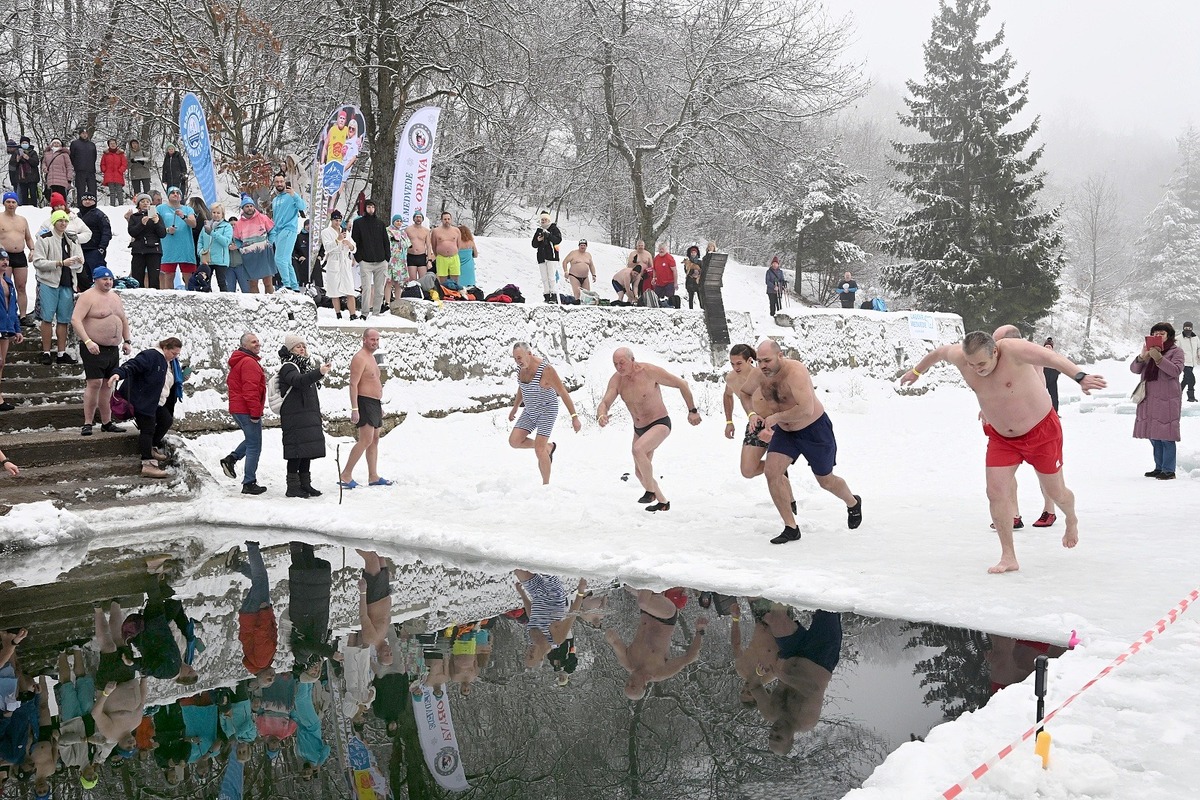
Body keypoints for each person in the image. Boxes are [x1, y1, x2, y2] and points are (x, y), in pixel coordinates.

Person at [901, 331, 1107, 573]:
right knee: (995, 492)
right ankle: (1008, 556)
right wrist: (915, 372)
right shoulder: (960, 356)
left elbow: (1051, 358)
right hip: (1002, 438)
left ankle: (1071, 518)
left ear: (995, 352)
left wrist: (1080, 376)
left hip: (1041, 432)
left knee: (1056, 491)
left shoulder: (1012, 349)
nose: (976, 369)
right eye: (971, 364)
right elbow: (937, 354)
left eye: (981, 364)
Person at [736, 339, 860, 543]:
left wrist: (775, 417)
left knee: (826, 480)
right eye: (759, 361)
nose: (763, 365)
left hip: (814, 430)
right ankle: (790, 527)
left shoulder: (796, 372)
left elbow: (806, 409)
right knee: (772, 472)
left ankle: (853, 503)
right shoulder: (759, 374)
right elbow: (745, 392)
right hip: (786, 432)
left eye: (767, 360)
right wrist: (751, 414)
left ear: (780, 356)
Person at [596, 347, 702, 512]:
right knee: (639, 473)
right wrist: (602, 415)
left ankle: (650, 491)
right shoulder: (617, 380)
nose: (619, 367)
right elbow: (605, 402)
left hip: (659, 423)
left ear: (632, 360)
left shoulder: (649, 372)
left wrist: (692, 410)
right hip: (639, 429)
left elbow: (682, 384)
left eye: (622, 363)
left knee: (638, 449)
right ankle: (663, 502)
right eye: (615, 364)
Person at [991, 325, 1057, 529]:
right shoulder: (1001, 360)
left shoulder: (1029, 356)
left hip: (1037, 421)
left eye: (998, 342)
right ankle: (1013, 514)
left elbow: (1037, 386)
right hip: (1008, 423)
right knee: (1005, 470)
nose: (995, 347)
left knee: (1044, 469)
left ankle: (1050, 510)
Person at [752, 606, 841, 754]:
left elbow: (754, 687)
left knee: (773, 618)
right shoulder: (807, 721)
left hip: (791, 653)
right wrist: (783, 677)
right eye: (778, 737)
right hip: (820, 656)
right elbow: (813, 689)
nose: (774, 732)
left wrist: (758, 673)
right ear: (791, 739)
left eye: (771, 736)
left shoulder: (769, 712)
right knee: (829, 607)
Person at [722, 343, 796, 512]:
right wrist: (729, 422)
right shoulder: (731, 378)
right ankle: (777, 467)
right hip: (755, 423)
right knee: (747, 470)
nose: (735, 367)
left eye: (739, 363)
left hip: (776, 423)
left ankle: (790, 501)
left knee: (775, 470)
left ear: (750, 361)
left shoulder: (763, 375)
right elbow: (727, 396)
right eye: (732, 364)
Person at [606, 587, 708, 700]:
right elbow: (690, 658)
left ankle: (656, 585)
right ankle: (653, 580)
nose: (630, 682)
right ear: (644, 686)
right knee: (643, 601)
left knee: (628, 587)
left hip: (646, 612)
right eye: (633, 686)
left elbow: (615, 641)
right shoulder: (659, 672)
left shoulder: (627, 662)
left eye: (627, 684)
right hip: (666, 617)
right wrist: (700, 631)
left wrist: (609, 635)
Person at [110, 336, 184, 478]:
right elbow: (133, 365)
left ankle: (152, 447)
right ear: (165, 348)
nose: (175, 357)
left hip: (155, 401)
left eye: (177, 354)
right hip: (142, 401)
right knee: (147, 429)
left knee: (166, 420)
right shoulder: (151, 355)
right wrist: (118, 374)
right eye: (174, 353)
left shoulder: (169, 362)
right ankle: (147, 464)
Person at [508, 342, 582, 484]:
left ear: (529, 353)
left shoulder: (546, 370)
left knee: (539, 450)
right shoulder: (520, 368)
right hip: (530, 410)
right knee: (514, 441)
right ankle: (548, 447)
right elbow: (522, 387)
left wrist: (574, 417)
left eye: (519, 358)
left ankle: (546, 485)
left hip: (547, 410)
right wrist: (515, 407)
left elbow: (562, 392)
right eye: (515, 359)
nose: (518, 362)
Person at [71, 265, 132, 435]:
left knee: (108, 385)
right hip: (94, 347)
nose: (108, 282)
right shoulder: (87, 296)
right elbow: (76, 320)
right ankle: (88, 422)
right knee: (95, 383)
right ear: (96, 280)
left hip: (112, 349)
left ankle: (106, 422)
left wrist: (127, 340)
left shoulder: (115, 297)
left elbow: (123, 319)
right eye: (105, 279)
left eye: (110, 279)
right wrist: (88, 341)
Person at [278, 333, 331, 498]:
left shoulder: (304, 367)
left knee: (306, 451)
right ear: (290, 350)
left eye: (304, 346)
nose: (302, 349)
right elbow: (299, 381)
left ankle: (305, 484)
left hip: (306, 416)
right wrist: (319, 372)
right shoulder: (288, 367)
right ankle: (293, 486)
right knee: (295, 452)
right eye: (297, 346)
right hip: (295, 417)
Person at [338, 329, 391, 489]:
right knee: (366, 440)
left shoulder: (371, 358)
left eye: (377, 340)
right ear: (364, 340)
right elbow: (353, 384)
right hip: (364, 402)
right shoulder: (360, 358)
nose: (375, 342)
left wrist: (378, 405)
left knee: (375, 440)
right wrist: (355, 408)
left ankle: (373, 476)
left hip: (374, 403)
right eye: (372, 339)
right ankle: (346, 474)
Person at [1132, 322, 1184, 480]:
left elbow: (1175, 371)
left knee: (1166, 434)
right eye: (1155, 334)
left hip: (1167, 398)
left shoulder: (1177, 351)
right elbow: (1134, 370)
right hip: (1149, 397)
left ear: (1169, 335)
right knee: (1153, 434)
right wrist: (1142, 357)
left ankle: (1169, 470)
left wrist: (1160, 359)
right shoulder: (1149, 351)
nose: (1158, 336)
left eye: (1161, 334)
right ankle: (1159, 467)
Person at [33, 209, 84, 365]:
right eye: (60, 221)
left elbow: (78, 262)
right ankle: (46, 352)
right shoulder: (44, 238)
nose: (63, 223)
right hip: (49, 282)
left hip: (67, 283)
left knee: (64, 319)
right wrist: (60, 263)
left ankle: (61, 353)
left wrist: (78, 263)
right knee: (47, 318)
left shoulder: (72, 239)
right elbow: (38, 262)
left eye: (65, 221)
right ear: (54, 222)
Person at [220, 332, 268, 494]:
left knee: (251, 440)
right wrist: (255, 412)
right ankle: (249, 483)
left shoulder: (242, 360)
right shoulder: (249, 362)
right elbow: (250, 390)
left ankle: (231, 459)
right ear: (245, 345)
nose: (258, 344)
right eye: (253, 342)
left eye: (258, 341)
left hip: (239, 408)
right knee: (255, 445)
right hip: (246, 409)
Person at [226, 541, 277, 684]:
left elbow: (262, 634)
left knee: (261, 579)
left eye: (268, 679)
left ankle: (252, 546)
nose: (272, 677)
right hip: (247, 617)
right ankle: (237, 565)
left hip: (256, 614)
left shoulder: (262, 661)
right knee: (259, 580)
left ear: (260, 676)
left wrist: (265, 612)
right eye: (272, 679)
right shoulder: (257, 664)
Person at [513, 571, 587, 668]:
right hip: (554, 594)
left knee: (518, 568)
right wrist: (581, 592)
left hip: (536, 594)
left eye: (526, 655)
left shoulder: (530, 638)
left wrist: (523, 594)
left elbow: (532, 616)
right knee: (544, 567)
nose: (528, 652)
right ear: (541, 658)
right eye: (531, 656)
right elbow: (571, 616)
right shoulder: (556, 639)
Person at [351, 199, 389, 316]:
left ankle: (376, 312)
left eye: (372, 207)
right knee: (366, 289)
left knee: (379, 290)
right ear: (365, 209)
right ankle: (365, 312)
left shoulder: (380, 223)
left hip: (381, 261)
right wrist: (359, 258)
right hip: (365, 262)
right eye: (368, 207)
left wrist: (386, 258)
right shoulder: (358, 223)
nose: (370, 209)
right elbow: (354, 241)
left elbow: (385, 242)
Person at [231, 195, 275, 294]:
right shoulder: (238, 224)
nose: (250, 208)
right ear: (242, 208)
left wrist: (270, 243)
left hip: (264, 254)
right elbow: (237, 240)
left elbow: (272, 231)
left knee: (268, 282)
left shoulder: (263, 218)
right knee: (253, 284)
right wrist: (239, 247)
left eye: (251, 206)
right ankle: (256, 305)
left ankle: (271, 303)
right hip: (249, 256)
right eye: (247, 206)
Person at [269, 174, 306, 291]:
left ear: (285, 182)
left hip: (289, 229)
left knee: (279, 259)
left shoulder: (291, 196)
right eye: (277, 182)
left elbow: (302, 206)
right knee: (286, 260)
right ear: (274, 183)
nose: (279, 184)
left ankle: (287, 285)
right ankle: (294, 286)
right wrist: (273, 234)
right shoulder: (275, 200)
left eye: (281, 181)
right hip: (278, 231)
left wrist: (295, 195)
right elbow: (275, 218)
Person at [156, 186, 198, 289]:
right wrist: (166, 230)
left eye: (178, 193)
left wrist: (183, 216)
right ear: (168, 195)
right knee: (168, 275)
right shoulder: (160, 208)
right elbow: (154, 223)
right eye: (173, 193)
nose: (176, 194)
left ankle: (191, 297)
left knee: (188, 275)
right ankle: (168, 299)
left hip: (185, 247)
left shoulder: (188, 209)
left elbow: (193, 224)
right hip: (168, 247)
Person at [0, 194, 34, 319]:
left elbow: (28, 238)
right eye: (8, 202)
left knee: (21, 286)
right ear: (4, 203)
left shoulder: (22, 220)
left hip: (19, 256)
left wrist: (32, 249)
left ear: (17, 204)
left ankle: (23, 316)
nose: (11, 204)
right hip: (4, 256)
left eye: (13, 202)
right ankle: (7, 314)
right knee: (5, 287)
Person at [321, 211, 359, 319]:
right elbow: (327, 247)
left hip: (344, 261)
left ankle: (352, 314)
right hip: (334, 260)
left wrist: (350, 245)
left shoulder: (345, 231)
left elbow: (354, 248)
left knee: (350, 289)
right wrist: (338, 240)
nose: (338, 223)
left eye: (339, 220)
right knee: (334, 290)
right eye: (335, 220)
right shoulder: (326, 232)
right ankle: (338, 314)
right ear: (331, 220)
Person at [127, 193, 166, 290]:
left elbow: (162, 234)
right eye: (142, 201)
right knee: (137, 276)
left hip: (154, 250)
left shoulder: (157, 217)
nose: (145, 203)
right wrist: (141, 224)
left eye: (147, 201)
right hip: (138, 250)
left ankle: (155, 295)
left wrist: (156, 222)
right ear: (138, 204)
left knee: (154, 277)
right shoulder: (134, 217)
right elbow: (132, 232)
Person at [0, 249, 23, 412]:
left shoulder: (8, 281)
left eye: (6, 259)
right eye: (1, 259)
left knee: (1, 364)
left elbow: (12, 307)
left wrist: (17, 329)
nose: (5, 262)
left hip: (6, 327)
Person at [76, 192, 111, 291]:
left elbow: (106, 232)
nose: (87, 201)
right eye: (85, 199)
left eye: (90, 199)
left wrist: (102, 248)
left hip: (94, 250)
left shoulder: (99, 214)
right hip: (80, 250)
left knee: (98, 275)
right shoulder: (76, 216)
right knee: (82, 276)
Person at [197, 202, 233, 292]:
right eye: (214, 212)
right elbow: (200, 240)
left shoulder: (227, 226)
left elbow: (226, 242)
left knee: (221, 282)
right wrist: (200, 252)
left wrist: (212, 233)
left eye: (218, 213)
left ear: (222, 214)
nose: (216, 215)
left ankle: (225, 300)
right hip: (207, 259)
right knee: (205, 282)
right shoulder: (206, 226)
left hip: (221, 260)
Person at [532, 210, 563, 302]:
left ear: (548, 220)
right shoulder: (539, 230)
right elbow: (534, 244)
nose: (543, 221)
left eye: (545, 219)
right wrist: (538, 239)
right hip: (541, 257)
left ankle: (553, 295)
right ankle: (546, 295)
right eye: (542, 220)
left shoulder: (554, 229)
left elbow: (558, 240)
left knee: (551, 277)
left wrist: (548, 236)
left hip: (552, 257)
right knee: (544, 277)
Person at [430, 210, 463, 289]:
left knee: (455, 277)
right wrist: (438, 254)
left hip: (454, 257)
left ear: (451, 220)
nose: (447, 221)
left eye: (448, 219)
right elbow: (433, 245)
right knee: (442, 279)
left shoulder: (456, 230)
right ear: (441, 220)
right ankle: (444, 293)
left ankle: (454, 293)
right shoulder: (436, 231)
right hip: (441, 257)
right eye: (445, 219)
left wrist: (453, 251)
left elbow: (459, 244)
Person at [386, 215, 410, 304]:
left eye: (400, 221)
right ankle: (387, 302)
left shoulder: (403, 233)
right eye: (397, 221)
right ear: (393, 221)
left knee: (398, 282)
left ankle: (397, 301)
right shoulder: (388, 230)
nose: (399, 223)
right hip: (391, 259)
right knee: (389, 281)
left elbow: (407, 244)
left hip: (400, 260)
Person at [69, 128, 98, 200]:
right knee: (81, 189)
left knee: (92, 189)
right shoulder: (75, 143)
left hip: (91, 170)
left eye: (86, 133)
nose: (84, 135)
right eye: (83, 133)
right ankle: (81, 205)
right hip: (80, 170)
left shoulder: (92, 145)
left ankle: (93, 205)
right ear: (80, 134)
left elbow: (94, 156)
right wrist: (76, 165)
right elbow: (72, 156)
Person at [11, 136, 40, 207]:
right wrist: (17, 160)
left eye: (26, 143)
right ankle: (25, 208)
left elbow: (36, 163)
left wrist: (28, 158)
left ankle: (34, 207)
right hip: (22, 178)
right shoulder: (16, 153)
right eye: (23, 143)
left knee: (33, 193)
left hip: (32, 177)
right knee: (24, 194)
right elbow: (12, 165)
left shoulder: (33, 152)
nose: (24, 144)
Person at [100, 139, 127, 206]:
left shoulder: (121, 154)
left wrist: (120, 170)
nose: (113, 145)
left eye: (114, 143)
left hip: (118, 175)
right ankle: (112, 205)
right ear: (109, 145)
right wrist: (104, 170)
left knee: (119, 191)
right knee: (112, 192)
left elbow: (124, 164)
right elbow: (102, 164)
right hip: (109, 175)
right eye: (111, 143)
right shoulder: (105, 154)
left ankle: (121, 205)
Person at [404, 211, 430, 279]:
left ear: (422, 219)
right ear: (413, 219)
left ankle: (422, 290)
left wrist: (429, 259)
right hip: (411, 256)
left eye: (420, 217)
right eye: (417, 217)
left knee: (423, 279)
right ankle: (413, 289)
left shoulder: (426, 231)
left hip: (421, 256)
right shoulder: (407, 229)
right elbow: (403, 243)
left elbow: (428, 246)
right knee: (412, 280)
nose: (418, 219)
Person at [1180, 321, 1197, 403]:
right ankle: (1191, 397)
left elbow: (1199, 348)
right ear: (1183, 328)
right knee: (1191, 379)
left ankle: (1177, 393)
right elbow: (1176, 351)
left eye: (1189, 328)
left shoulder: (1195, 338)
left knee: (1186, 379)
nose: (1188, 330)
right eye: (1186, 328)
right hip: (1184, 363)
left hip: (1192, 362)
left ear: (1192, 328)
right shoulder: (1179, 338)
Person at [682, 245, 703, 309]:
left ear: (697, 253)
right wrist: (692, 273)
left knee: (700, 298)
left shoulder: (700, 262)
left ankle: (702, 309)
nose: (693, 254)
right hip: (690, 281)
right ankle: (691, 310)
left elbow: (703, 271)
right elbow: (686, 271)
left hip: (698, 282)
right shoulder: (687, 262)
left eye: (694, 252)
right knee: (690, 297)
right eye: (692, 253)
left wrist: (698, 274)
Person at [457, 224, 478, 288]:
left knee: (459, 284)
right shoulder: (471, 242)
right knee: (470, 284)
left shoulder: (457, 243)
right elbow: (476, 255)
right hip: (469, 266)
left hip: (458, 265)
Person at [1043, 337, 1060, 412]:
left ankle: (1055, 412)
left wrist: (1056, 374)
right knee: (1040, 397)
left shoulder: (1055, 357)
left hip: (1052, 381)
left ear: (1052, 348)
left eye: (1049, 347)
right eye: (1046, 347)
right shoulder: (1040, 356)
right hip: (1042, 380)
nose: (1048, 348)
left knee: (1054, 398)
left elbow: (1060, 367)